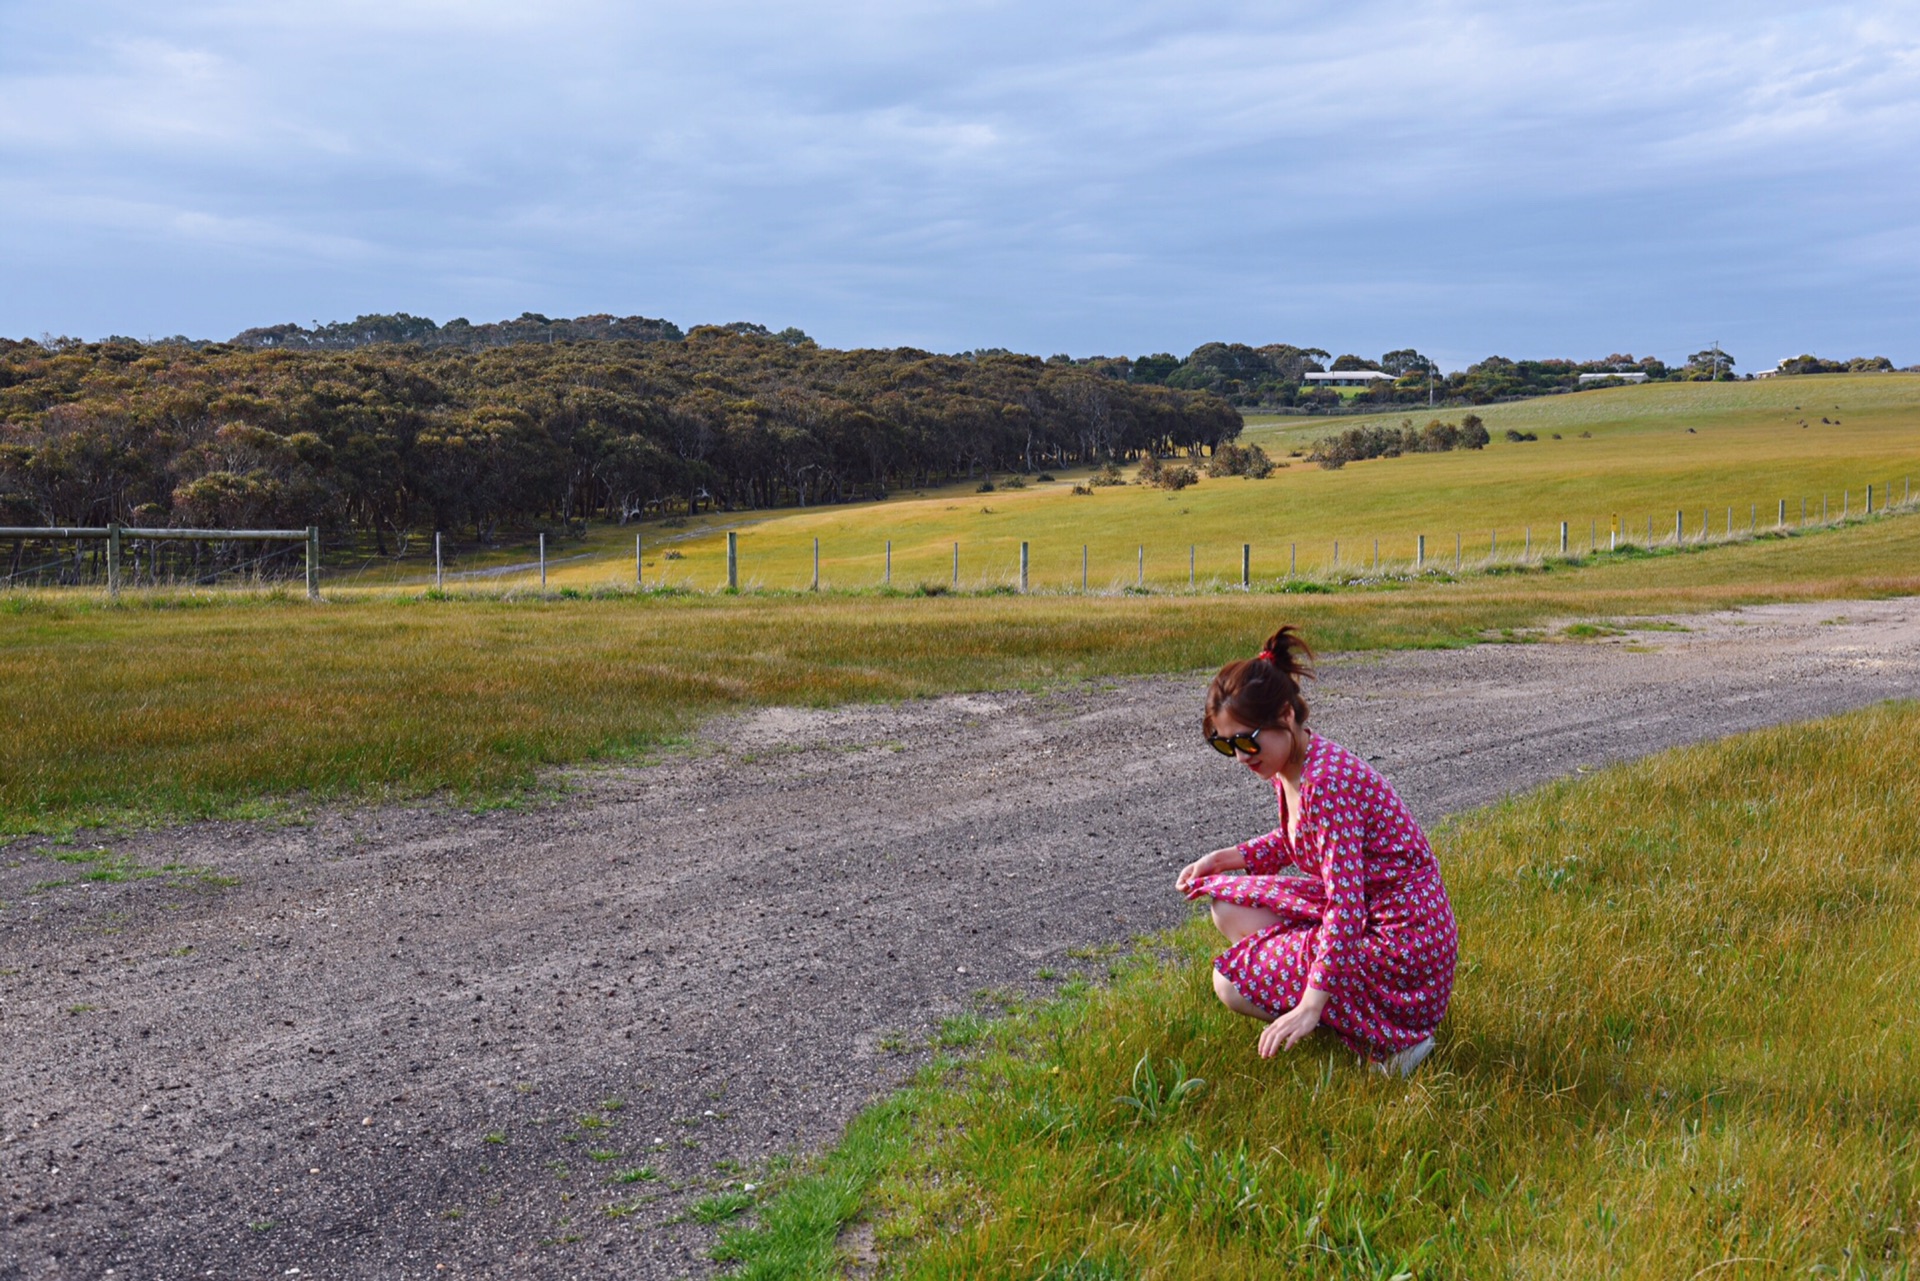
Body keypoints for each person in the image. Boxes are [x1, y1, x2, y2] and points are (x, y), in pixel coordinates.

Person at [1175, 626, 1456, 1076]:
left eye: (1247, 740)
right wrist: (1221, 859)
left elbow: (1346, 909)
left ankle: (1394, 1043)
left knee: (1229, 983)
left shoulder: (1324, 784)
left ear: (1285, 714)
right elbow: (1295, 838)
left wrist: (1309, 1004)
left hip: (1404, 950)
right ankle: (1351, 1015)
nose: (1241, 757)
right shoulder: (1295, 763)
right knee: (1228, 906)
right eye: (1226, 745)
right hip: (1382, 920)